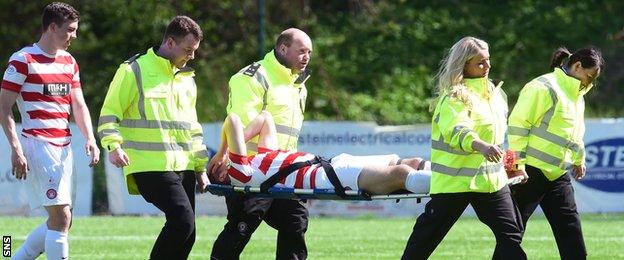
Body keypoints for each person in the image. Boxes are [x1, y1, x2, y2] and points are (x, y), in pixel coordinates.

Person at [401, 36, 526, 260]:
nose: (487, 66)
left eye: (488, 60)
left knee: (511, 235)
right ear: (464, 64)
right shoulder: (453, 97)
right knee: (426, 238)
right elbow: (457, 131)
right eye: (480, 62)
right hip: (456, 182)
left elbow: (500, 139)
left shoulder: (496, 94)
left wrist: (513, 166)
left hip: (491, 182)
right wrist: (480, 146)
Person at [97, 16, 209, 259]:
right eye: (188, 50)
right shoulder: (133, 70)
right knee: (182, 221)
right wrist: (113, 146)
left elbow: (192, 127)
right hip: (148, 165)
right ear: (170, 42)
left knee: (188, 233)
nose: (192, 56)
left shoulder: (187, 79)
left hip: (184, 166)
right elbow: (109, 114)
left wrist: (200, 168)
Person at [0, 2, 100, 259]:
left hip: (64, 147)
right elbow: (3, 108)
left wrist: (90, 137)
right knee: (61, 216)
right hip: (38, 144)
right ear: (52, 27)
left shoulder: (69, 62)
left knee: (63, 221)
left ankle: (14, 257)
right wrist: (16, 149)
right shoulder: (23, 60)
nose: (74, 36)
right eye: (70, 30)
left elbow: (78, 103)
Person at [209, 28, 313, 259]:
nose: (306, 56)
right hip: (255, 170)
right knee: (241, 227)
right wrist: (232, 160)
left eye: (309, 52)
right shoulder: (253, 77)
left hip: (285, 172)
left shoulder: (299, 85)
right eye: (301, 51)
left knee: (295, 223)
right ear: (283, 48)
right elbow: (239, 129)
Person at [507, 47, 603, 260]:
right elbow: (517, 126)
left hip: (557, 173)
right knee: (512, 234)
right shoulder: (542, 87)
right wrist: (517, 166)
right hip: (529, 172)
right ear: (577, 66)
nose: (590, 83)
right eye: (590, 76)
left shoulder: (577, 93)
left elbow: (574, 131)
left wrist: (579, 159)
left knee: (571, 232)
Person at [209, 111, 431, 195]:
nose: (219, 162)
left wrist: (223, 154)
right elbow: (233, 120)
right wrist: (223, 152)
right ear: (220, 174)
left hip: (334, 164)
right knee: (401, 173)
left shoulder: (258, 160)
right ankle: (447, 184)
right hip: (329, 176)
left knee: (408, 161)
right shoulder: (241, 174)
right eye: (216, 165)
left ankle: (446, 179)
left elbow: (265, 118)